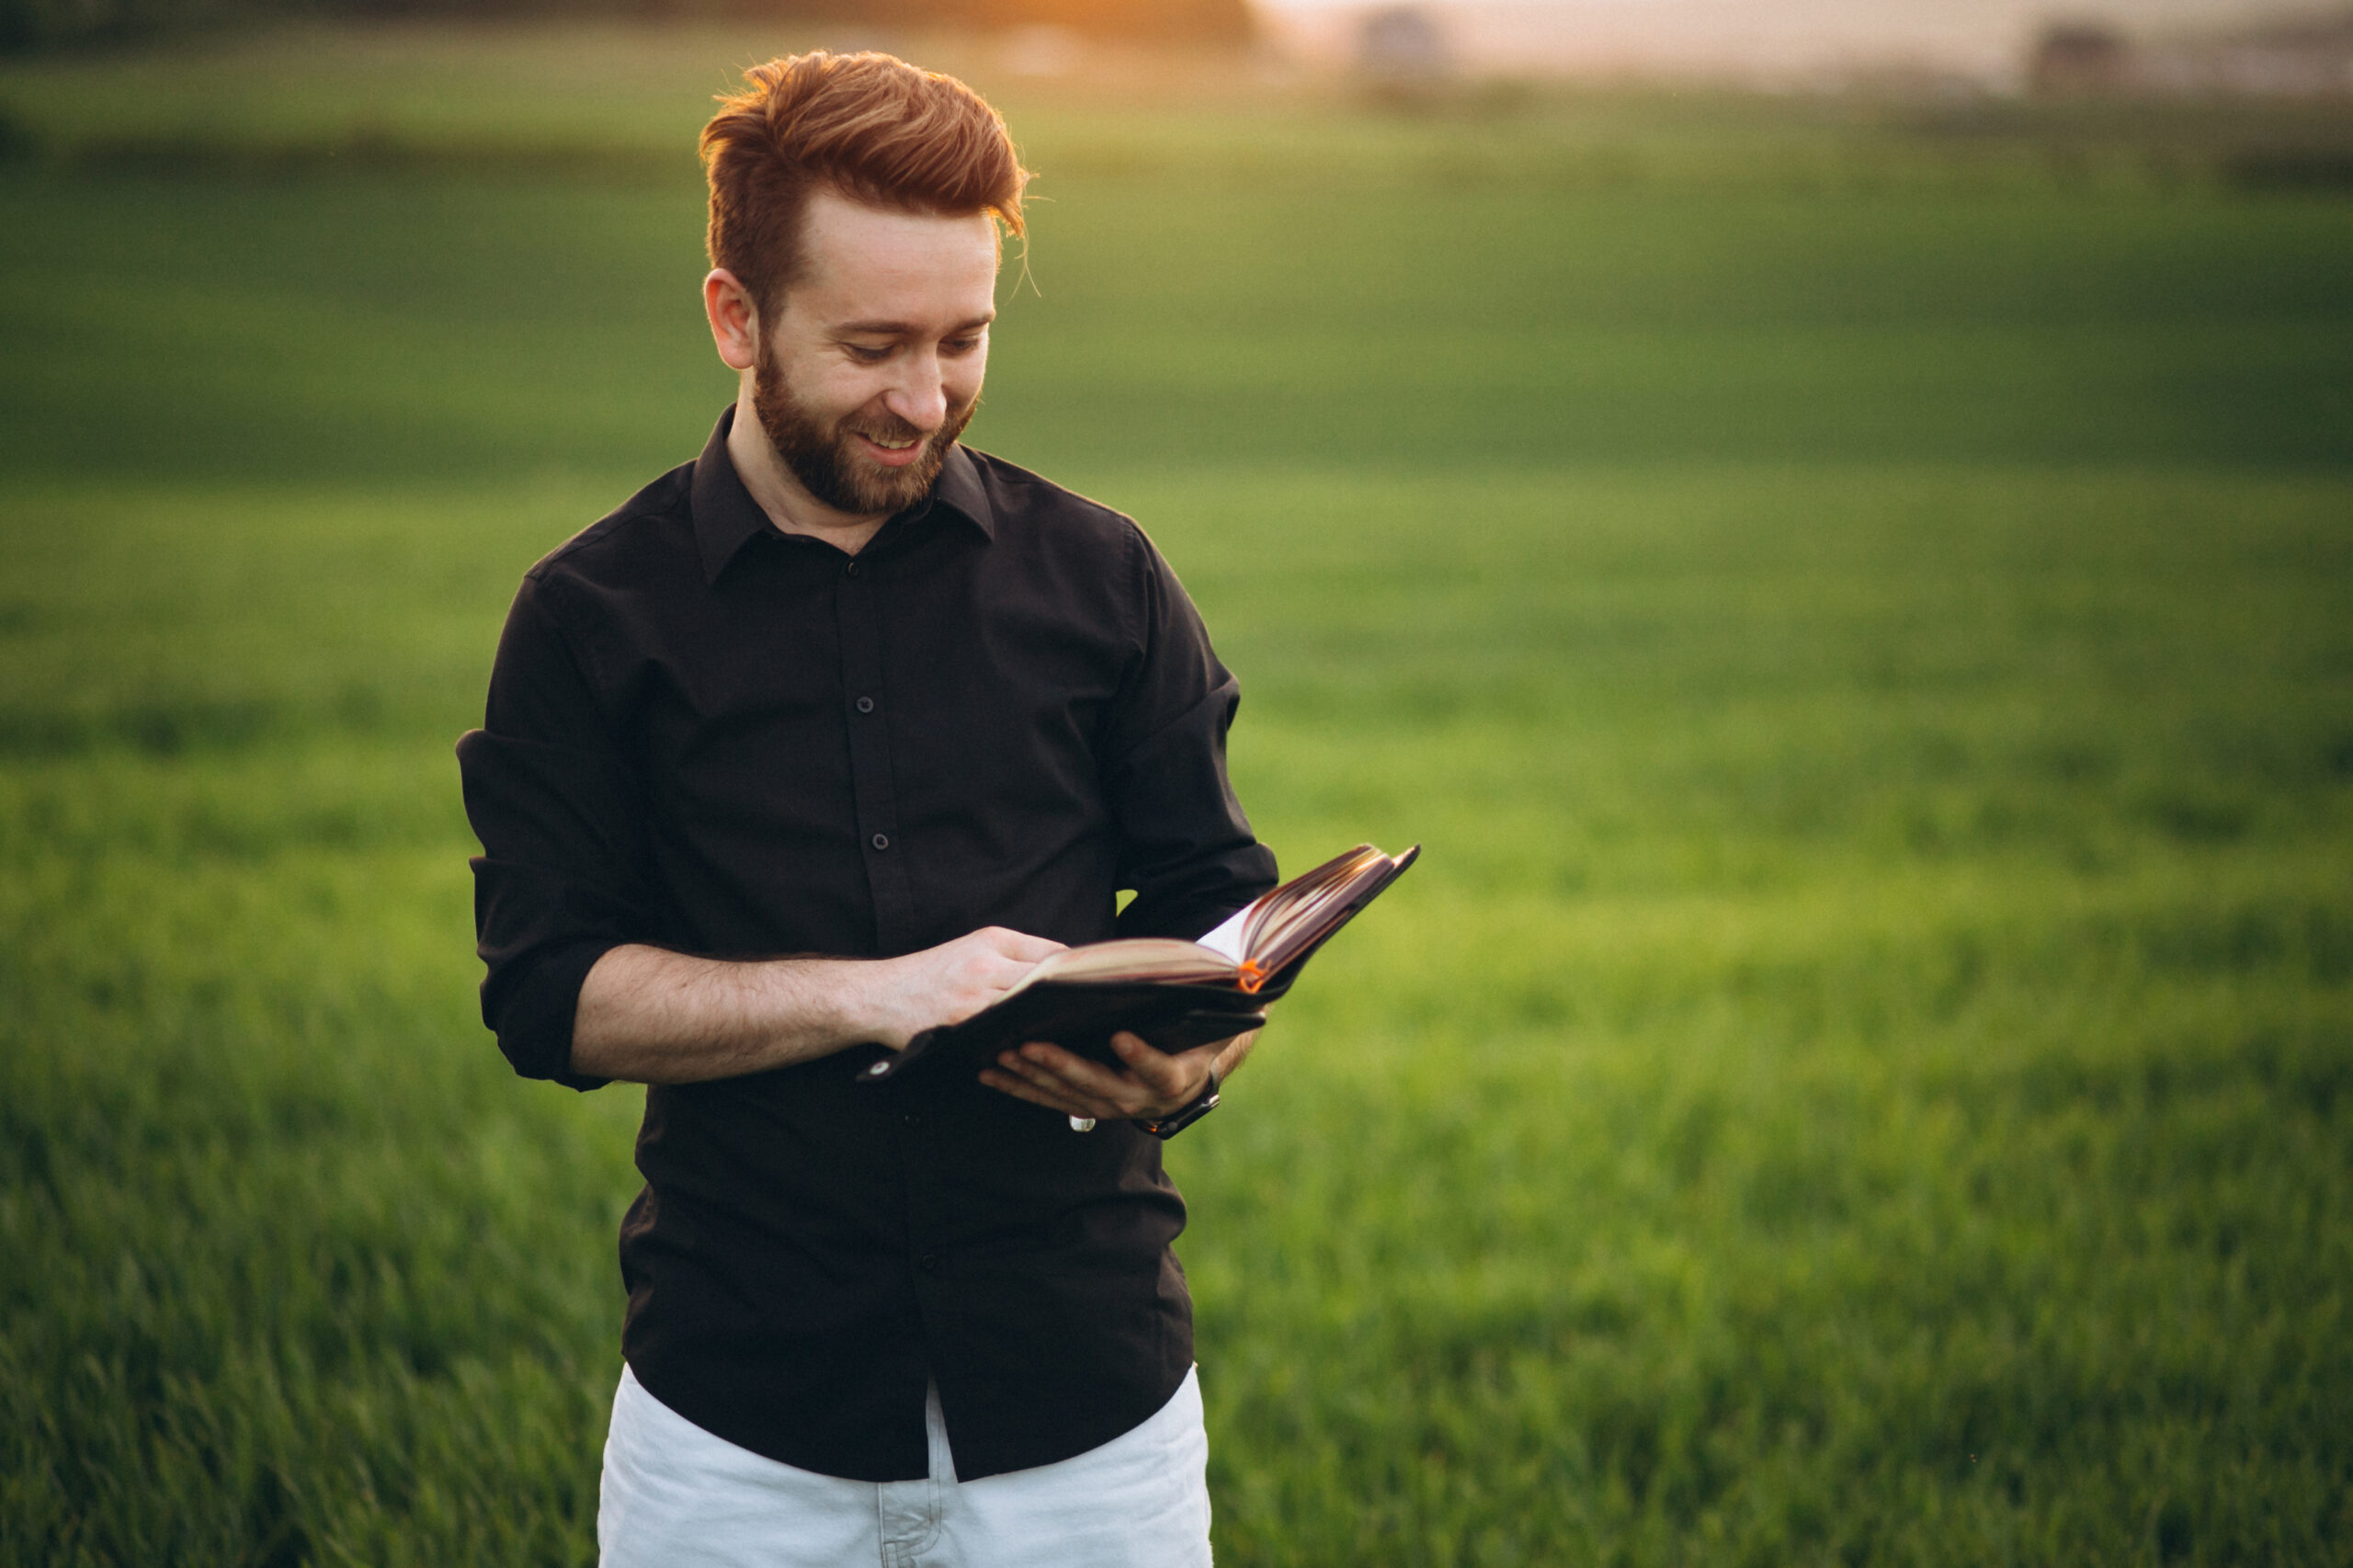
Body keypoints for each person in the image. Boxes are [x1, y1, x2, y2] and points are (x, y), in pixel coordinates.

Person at [455, 51, 1278, 1568]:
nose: (926, 397)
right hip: (740, 1438)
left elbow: (1213, 900)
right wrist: (873, 995)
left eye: (964, 340)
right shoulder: (588, 618)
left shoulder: (1105, 579)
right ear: (734, 318)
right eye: (875, 344)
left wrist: (1189, 1059)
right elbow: (549, 994)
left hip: (1091, 1422)